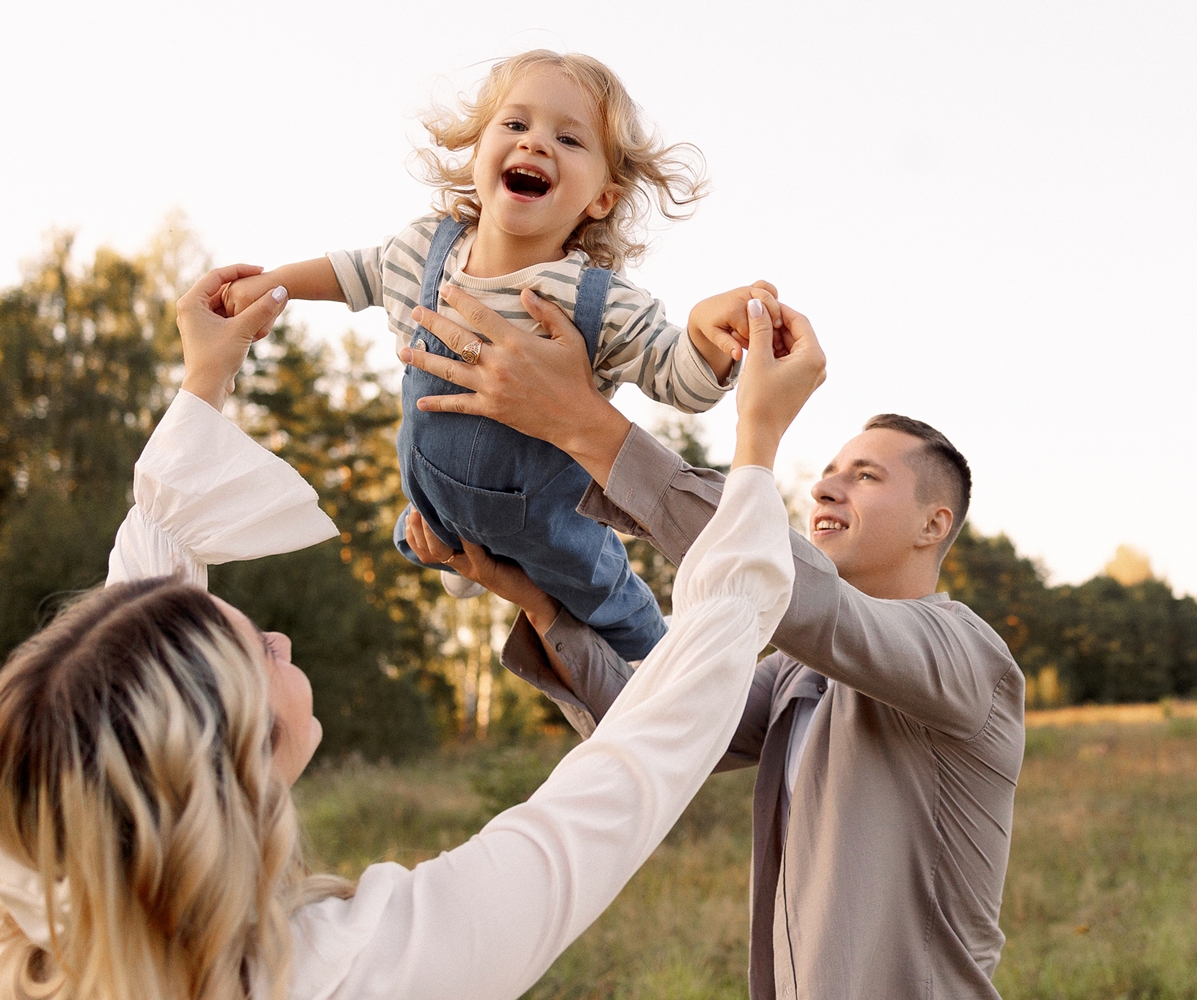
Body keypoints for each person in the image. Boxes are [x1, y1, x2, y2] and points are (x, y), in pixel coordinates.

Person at [0, 265, 825, 1000]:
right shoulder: (355, 973)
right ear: (221, 769)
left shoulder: (44, 906)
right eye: (254, 647)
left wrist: (207, 375)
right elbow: (633, 767)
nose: (280, 639)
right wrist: (755, 448)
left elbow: (129, 644)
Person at [399, 289, 1026, 999]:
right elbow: (653, 707)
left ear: (932, 525)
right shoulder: (800, 674)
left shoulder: (970, 660)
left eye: (866, 476)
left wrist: (587, 428)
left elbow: (799, 594)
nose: (826, 488)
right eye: (830, 471)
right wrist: (537, 603)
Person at [219, 49, 783, 662]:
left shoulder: (597, 302)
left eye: (569, 138)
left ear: (601, 198)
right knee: (429, 516)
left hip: (551, 526)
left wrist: (705, 334)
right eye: (515, 125)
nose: (536, 144)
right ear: (476, 153)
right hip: (436, 493)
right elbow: (351, 272)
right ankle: (450, 539)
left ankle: (677, 679)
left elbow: (683, 382)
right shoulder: (423, 253)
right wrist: (272, 285)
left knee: (614, 608)